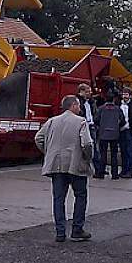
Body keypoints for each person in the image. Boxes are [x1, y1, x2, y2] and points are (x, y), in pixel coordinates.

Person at [35, 95, 94, 242]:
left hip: (56, 165)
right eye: (78, 105)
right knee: (80, 196)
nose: (80, 108)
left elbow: (38, 138)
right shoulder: (81, 122)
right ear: (73, 105)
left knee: (58, 198)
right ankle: (77, 230)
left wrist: (49, 152)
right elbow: (87, 144)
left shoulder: (52, 121)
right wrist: (87, 157)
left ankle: (60, 232)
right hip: (76, 165)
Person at [94, 94, 125, 179]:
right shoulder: (118, 109)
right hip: (114, 134)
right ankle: (114, 174)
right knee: (114, 155)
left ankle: (101, 173)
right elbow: (123, 121)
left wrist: (101, 126)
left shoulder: (101, 109)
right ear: (113, 100)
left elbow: (96, 119)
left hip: (103, 134)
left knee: (102, 154)